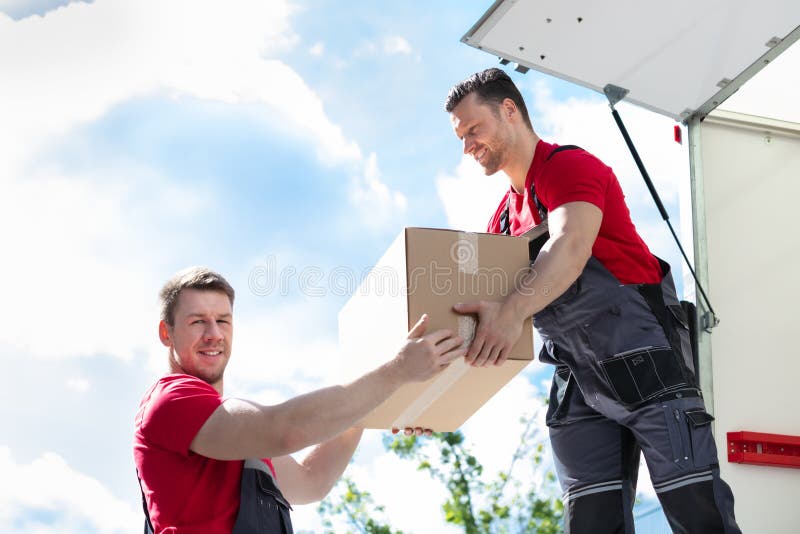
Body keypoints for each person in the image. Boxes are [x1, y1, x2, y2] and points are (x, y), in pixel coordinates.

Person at [445, 68, 741, 533]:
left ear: (509, 110)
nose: (467, 145)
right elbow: (482, 322)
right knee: (590, 521)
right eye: (461, 137)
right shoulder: (501, 221)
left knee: (697, 509)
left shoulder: (566, 167)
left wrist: (512, 310)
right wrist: (427, 406)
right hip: (577, 379)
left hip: (642, 359)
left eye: (473, 129)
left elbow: (571, 245)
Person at [133, 266, 465, 534]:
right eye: (197, 321)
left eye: (222, 320)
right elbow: (283, 430)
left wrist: (384, 399)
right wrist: (396, 371)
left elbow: (311, 480)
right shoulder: (171, 399)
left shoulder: (237, 436)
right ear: (166, 333)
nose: (214, 334)